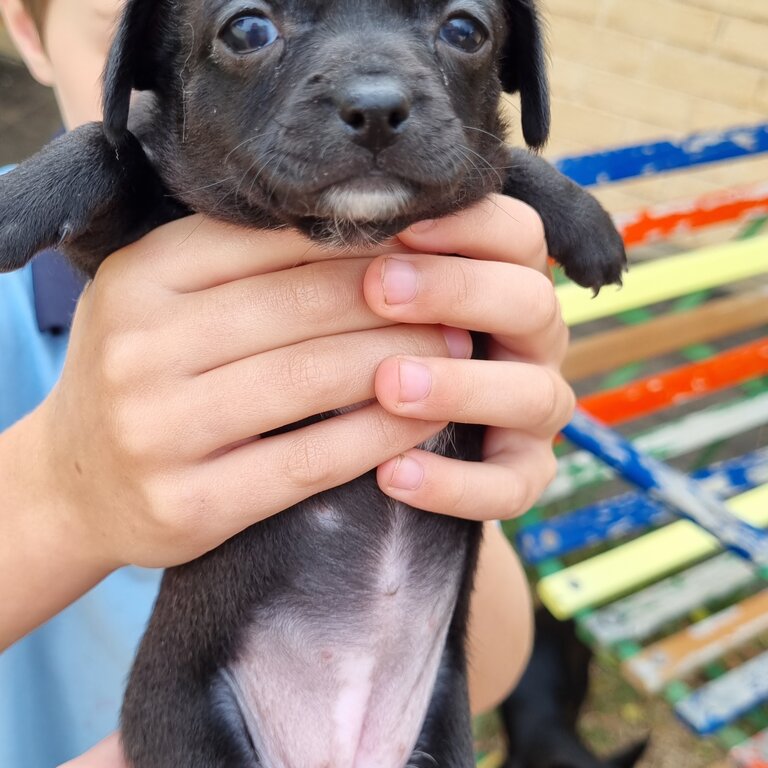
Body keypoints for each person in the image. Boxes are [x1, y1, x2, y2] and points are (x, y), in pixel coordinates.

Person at [0, 0, 576, 765]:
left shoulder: (456, 257)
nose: (375, 93)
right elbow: (128, 159)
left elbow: (483, 662)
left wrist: (481, 469)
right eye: (249, 27)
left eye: (459, 29)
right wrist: (61, 492)